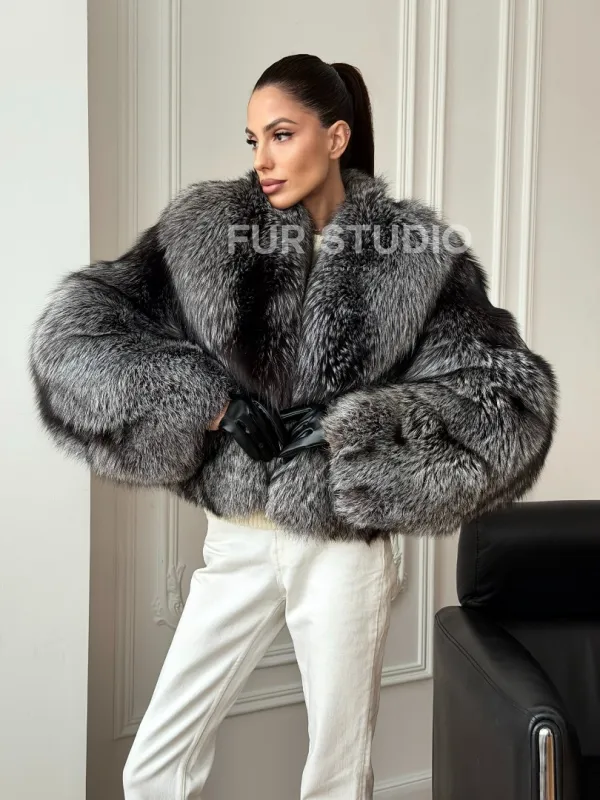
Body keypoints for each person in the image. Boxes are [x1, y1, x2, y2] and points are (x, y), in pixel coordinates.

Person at [29, 53, 558, 799]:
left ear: (335, 137)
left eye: (282, 134)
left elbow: (508, 398)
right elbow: (75, 337)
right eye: (254, 140)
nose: (263, 159)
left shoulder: (415, 254)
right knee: (153, 768)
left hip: (342, 547)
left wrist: (356, 429)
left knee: (337, 779)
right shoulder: (208, 232)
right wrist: (211, 401)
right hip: (239, 535)